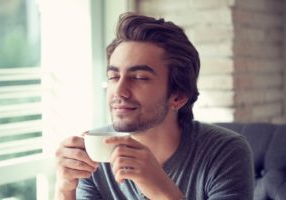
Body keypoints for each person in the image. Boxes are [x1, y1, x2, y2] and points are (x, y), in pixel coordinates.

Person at [55, 12, 254, 200]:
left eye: (140, 77)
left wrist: (163, 192)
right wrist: (64, 190)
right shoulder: (95, 153)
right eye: (113, 77)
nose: (119, 90)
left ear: (178, 96)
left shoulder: (225, 152)